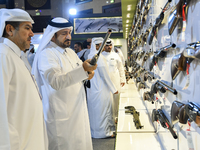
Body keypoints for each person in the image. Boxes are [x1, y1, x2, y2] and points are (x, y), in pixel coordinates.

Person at [31, 17, 97, 150]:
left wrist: (87, 74)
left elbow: (77, 74)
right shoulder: (46, 54)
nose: (68, 36)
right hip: (61, 116)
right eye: (64, 33)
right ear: (52, 36)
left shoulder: (71, 53)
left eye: (69, 33)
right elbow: (55, 81)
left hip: (77, 112)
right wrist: (83, 70)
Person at [0, 8, 47, 150]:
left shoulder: (17, 56)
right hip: (19, 143)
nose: (32, 33)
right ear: (9, 29)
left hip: (29, 138)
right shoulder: (3, 56)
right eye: (27, 28)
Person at [87, 37, 118, 138]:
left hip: (94, 90)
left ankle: (96, 132)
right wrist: (114, 89)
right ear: (96, 46)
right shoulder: (98, 57)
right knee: (102, 111)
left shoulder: (91, 55)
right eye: (100, 45)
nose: (103, 46)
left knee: (95, 112)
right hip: (100, 89)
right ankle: (104, 133)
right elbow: (105, 76)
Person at [102, 39, 126, 123]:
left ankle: (116, 117)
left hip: (115, 81)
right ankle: (107, 118)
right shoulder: (101, 56)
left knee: (116, 100)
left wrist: (123, 79)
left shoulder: (116, 55)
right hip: (104, 83)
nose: (109, 47)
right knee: (106, 101)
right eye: (107, 45)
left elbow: (120, 68)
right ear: (104, 46)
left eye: (110, 45)